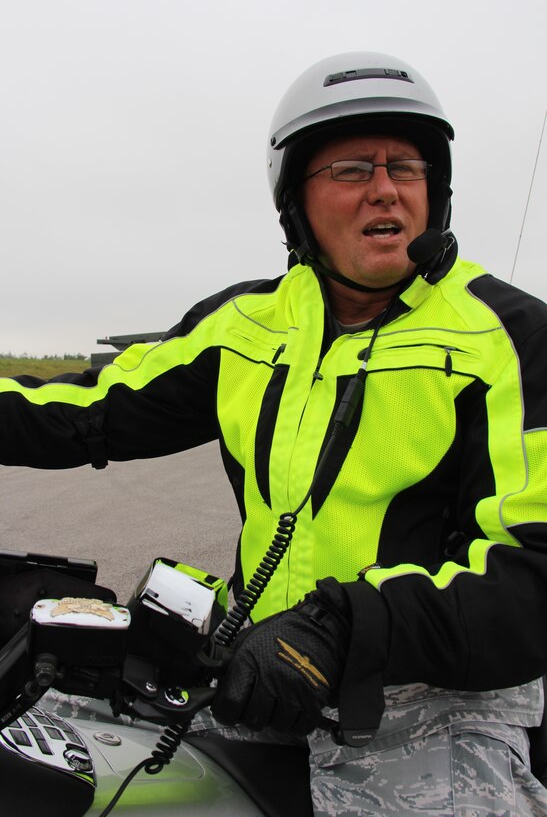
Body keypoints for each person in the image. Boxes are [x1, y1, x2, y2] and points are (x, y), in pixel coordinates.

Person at [2, 51, 547, 814]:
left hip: (434, 705)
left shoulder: (508, 338)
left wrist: (339, 628)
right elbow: (87, 408)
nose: (385, 188)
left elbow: (530, 573)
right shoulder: (248, 326)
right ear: (295, 200)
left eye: (406, 167)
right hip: (256, 671)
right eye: (351, 169)